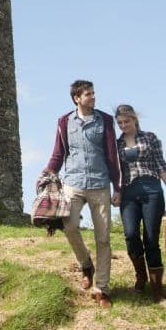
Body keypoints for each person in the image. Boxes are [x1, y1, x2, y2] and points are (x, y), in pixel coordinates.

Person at [44, 80, 122, 308]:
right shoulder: (63, 122)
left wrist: (117, 187)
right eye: (89, 94)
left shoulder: (105, 121)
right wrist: (48, 173)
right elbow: (58, 154)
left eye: (94, 93)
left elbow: (112, 156)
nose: (93, 97)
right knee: (68, 226)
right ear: (77, 98)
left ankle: (103, 289)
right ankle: (86, 264)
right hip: (73, 183)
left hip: (99, 184)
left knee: (103, 238)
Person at [114, 104, 166, 301]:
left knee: (151, 238)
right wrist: (116, 191)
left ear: (134, 119)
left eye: (126, 121)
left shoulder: (150, 138)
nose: (123, 125)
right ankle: (140, 276)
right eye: (120, 123)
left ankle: (157, 286)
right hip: (129, 193)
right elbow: (115, 172)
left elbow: (161, 165)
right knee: (131, 234)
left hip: (152, 191)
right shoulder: (116, 145)